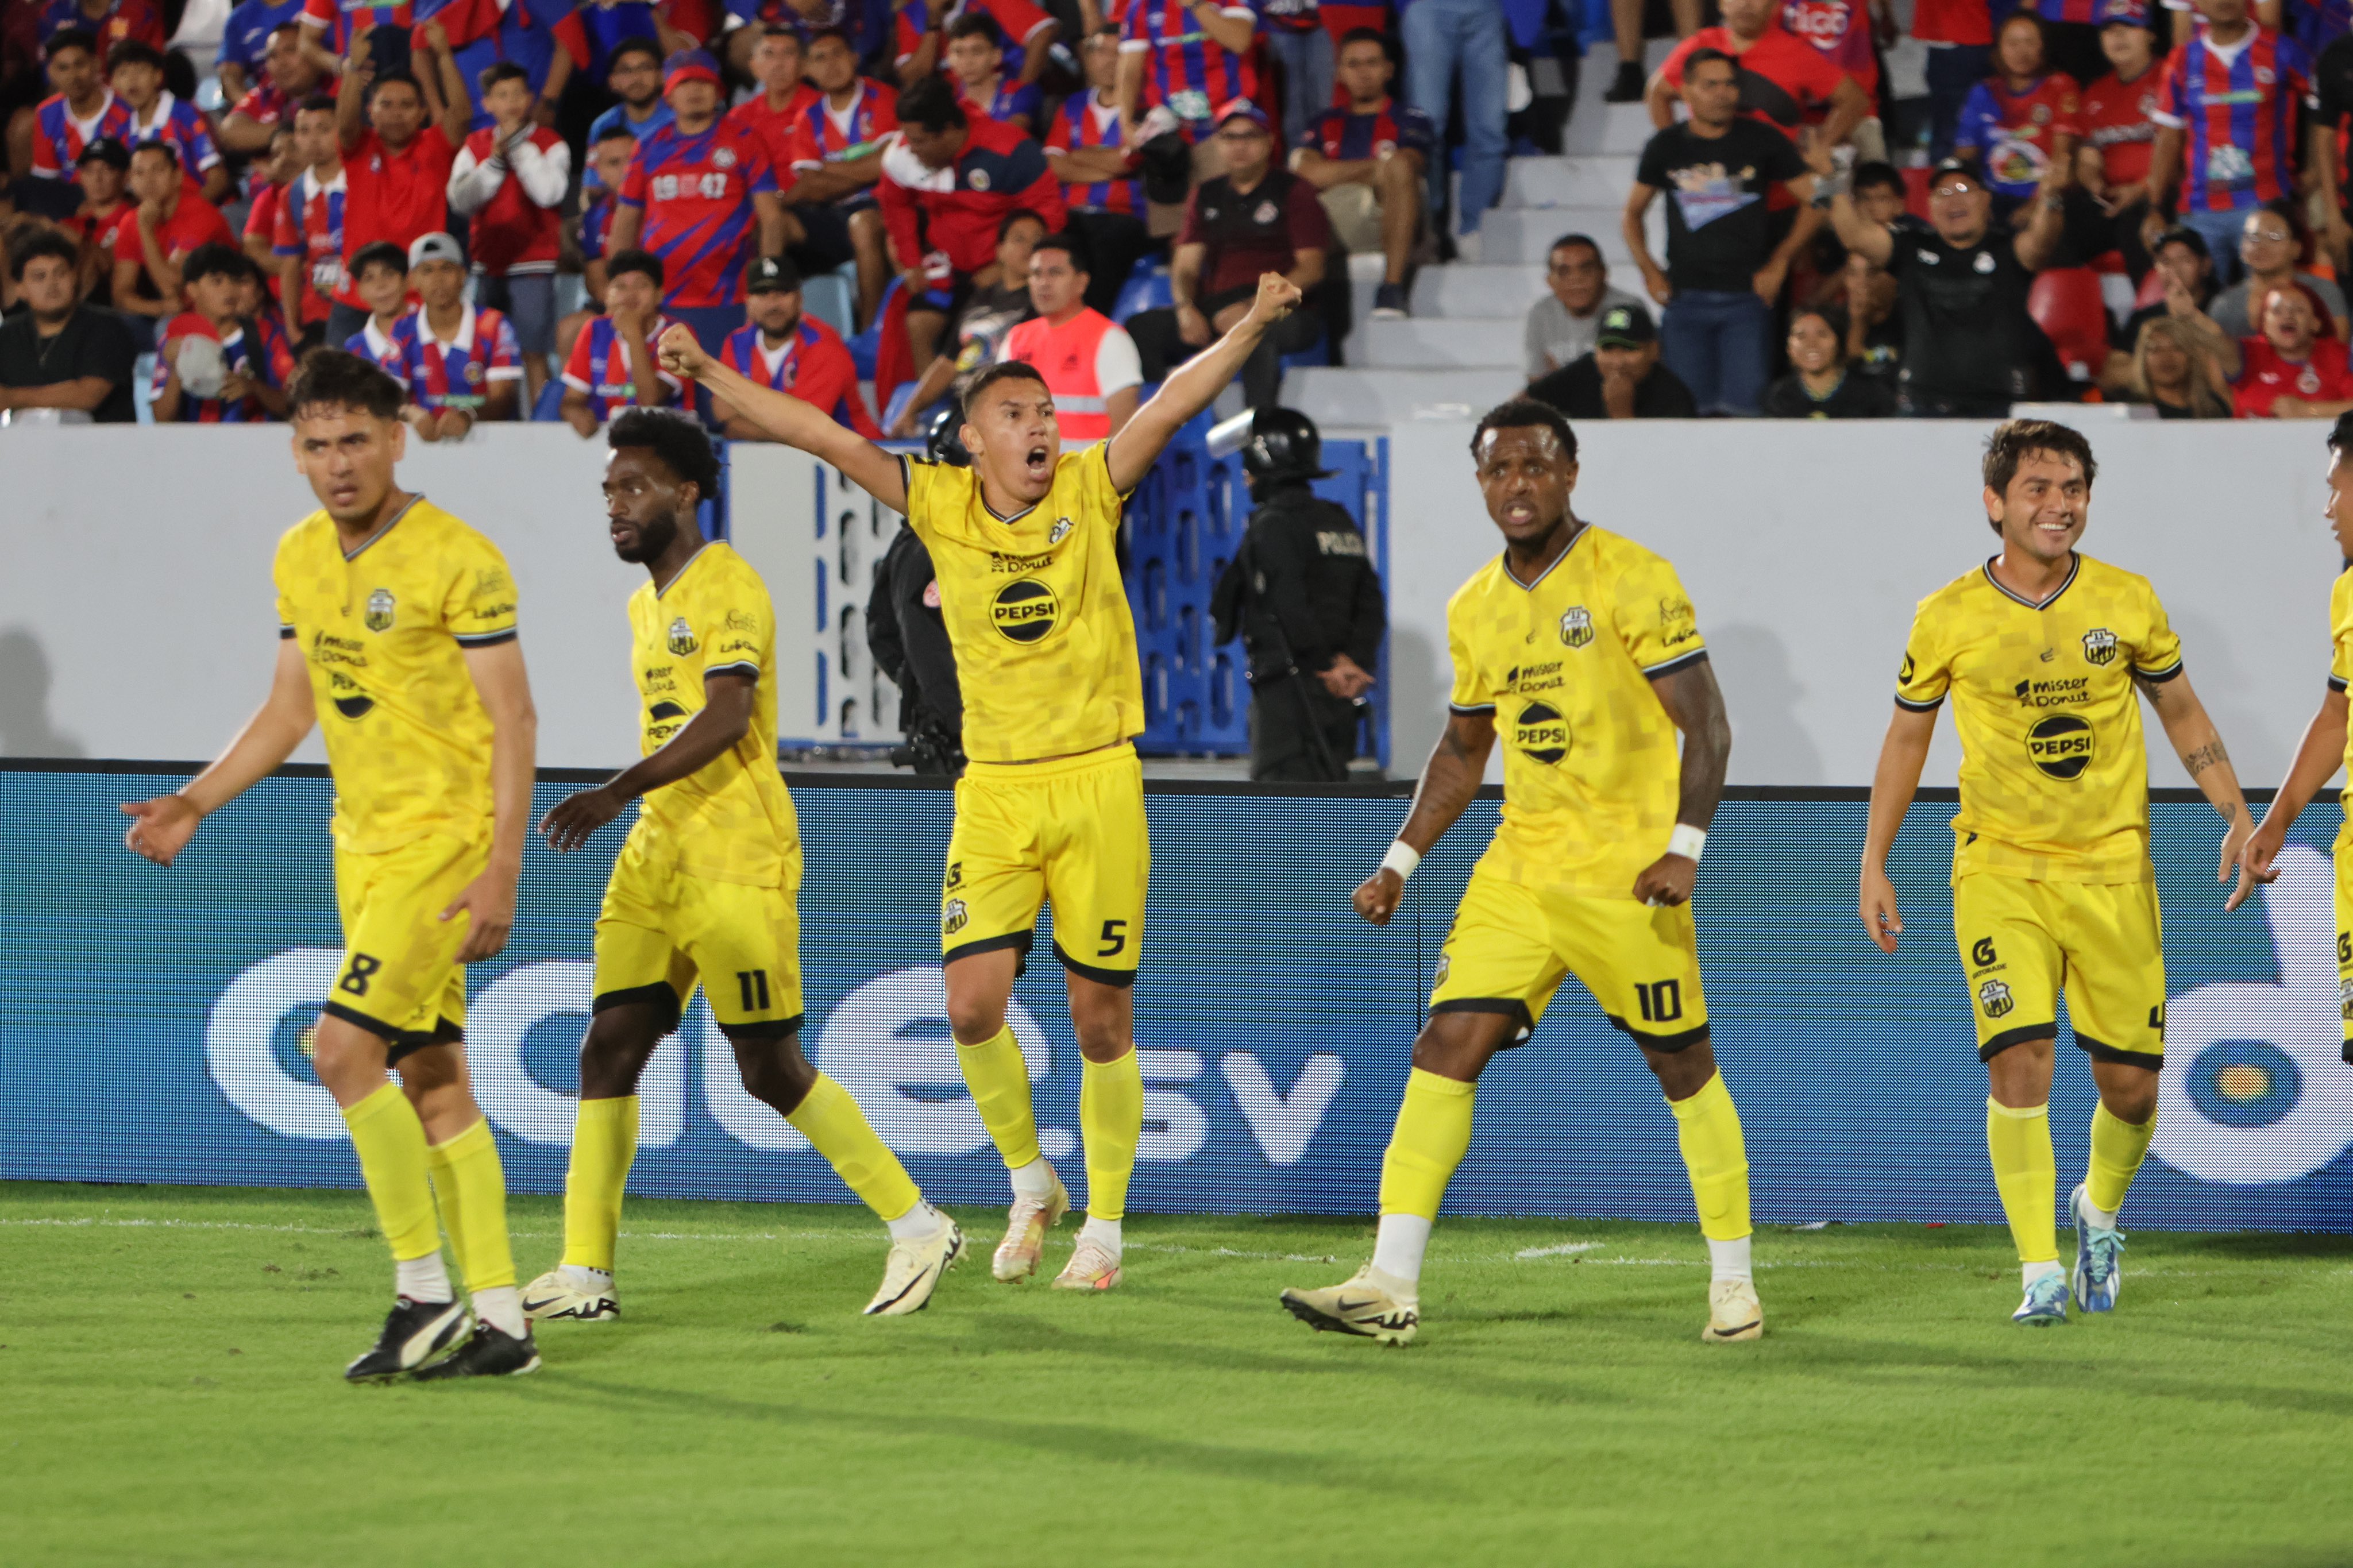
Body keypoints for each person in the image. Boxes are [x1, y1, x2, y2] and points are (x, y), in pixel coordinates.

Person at [659, 270, 1310, 1293]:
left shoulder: (1095, 488)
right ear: (973, 438)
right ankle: (1029, 1181)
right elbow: (822, 435)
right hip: (995, 793)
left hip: (1097, 784)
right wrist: (707, 369)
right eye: (1015, 414)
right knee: (970, 1009)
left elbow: (1179, 395)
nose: (1041, 427)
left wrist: (1254, 324)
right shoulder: (939, 503)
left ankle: (1103, 1225)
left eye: (1047, 411)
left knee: (1101, 1023)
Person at [1279, 397, 1756, 1347]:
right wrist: (1399, 864)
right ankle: (1388, 1283)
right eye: (1498, 470)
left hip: (1627, 878)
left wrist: (1684, 848)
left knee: (1683, 1065)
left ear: (1569, 473)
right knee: (1444, 1047)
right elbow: (1463, 751)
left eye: (1534, 466)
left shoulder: (1631, 576)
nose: (1517, 486)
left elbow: (1707, 723)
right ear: (1481, 483)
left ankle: (1734, 1283)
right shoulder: (1474, 607)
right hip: (1518, 872)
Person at [121, 349, 542, 1381]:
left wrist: (502, 871)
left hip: (440, 850)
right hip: (358, 850)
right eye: (317, 445)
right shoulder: (300, 556)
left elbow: (515, 719)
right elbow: (290, 710)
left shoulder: (460, 557)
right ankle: (502, 1321)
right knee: (433, 1078)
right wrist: (194, 801)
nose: (339, 462)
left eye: (357, 440)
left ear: (397, 437)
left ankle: (421, 1297)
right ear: (295, 453)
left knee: (338, 1053)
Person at [519, 408, 965, 1327]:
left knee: (766, 1067)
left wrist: (612, 791)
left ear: (687, 492)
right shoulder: (647, 601)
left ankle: (919, 1224)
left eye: (634, 485)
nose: (615, 503)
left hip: (733, 856)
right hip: (657, 856)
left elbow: (726, 716)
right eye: (608, 489)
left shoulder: (729, 583)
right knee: (608, 1047)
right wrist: (633, 806)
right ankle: (583, 1272)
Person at [1860, 419, 2254, 1326]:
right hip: (2001, 868)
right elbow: (1907, 738)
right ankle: (2038, 1267)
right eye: (2038, 487)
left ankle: (2098, 1212)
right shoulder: (1948, 614)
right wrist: (1874, 859)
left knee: (2133, 1088)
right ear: (1995, 502)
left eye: (2073, 487)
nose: (2059, 504)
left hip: (2115, 871)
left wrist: (2234, 809)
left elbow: (2184, 710)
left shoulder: (2127, 599)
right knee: (2020, 1057)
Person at [2231, 415, 2353, 1055]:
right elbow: (2337, 715)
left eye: (2336, 487)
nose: (2328, 509)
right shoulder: (2346, 593)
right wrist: (2274, 824)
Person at [1625, 50, 1821, 417]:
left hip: (1747, 302)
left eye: (1730, 84)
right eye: (1710, 84)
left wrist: (1780, 261)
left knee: (1747, 417)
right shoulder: (1665, 146)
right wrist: (1650, 271)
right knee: (1685, 418)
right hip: (1684, 302)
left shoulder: (1764, 140)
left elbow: (1817, 203)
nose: (1722, 93)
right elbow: (1632, 215)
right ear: (1686, 92)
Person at [1210, 406, 1383, 782]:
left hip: (1290, 696)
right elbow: (1371, 601)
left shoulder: (1272, 526)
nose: (1245, 478)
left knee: (1283, 811)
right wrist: (1351, 663)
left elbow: (1289, 606)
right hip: (1339, 691)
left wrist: (1323, 663)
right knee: (1332, 800)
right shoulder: (1337, 519)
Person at [1831, 155, 2068, 416]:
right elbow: (1854, 236)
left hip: (1997, 406)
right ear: (1930, 205)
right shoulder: (1911, 246)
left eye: (1964, 190)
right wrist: (1829, 179)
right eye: (1943, 192)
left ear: (1986, 199)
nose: (1954, 199)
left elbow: (2042, 242)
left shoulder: (2008, 249)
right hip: (1921, 405)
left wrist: (2051, 197)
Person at [1128, 101, 1328, 411]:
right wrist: (1186, 308)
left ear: (1269, 142)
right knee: (1141, 328)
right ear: (1218, 144)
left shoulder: (1294, 191)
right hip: (1220, 307)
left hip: (1282, 311)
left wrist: (1255, 309)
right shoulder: (1206, 193)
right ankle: (1159, 430)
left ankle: (1257, 435)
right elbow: (1185, 267)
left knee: (1254, 335)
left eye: (1249, 137)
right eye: (1229, 138)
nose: (1239, 147)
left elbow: (1312, 269)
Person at [878, 76, 1066, 376]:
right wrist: (911, 261)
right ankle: (929, 414)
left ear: (949, 131)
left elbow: (1049, 220)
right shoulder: (904, 155)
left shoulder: (1011, 151)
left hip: (999, 273)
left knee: (975, 337)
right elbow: (895, 204)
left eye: (920, 141)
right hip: (945, 271)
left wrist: (1008, 267)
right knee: (918, 323)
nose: (911, 149)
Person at [607, 49, 789, 346]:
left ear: (718, 92)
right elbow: (626, 220)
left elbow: (771, 219)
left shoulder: (745, 140)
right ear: (669, 96)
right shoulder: (648, 147)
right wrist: (614, 288)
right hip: (661, 298)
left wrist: (765, 288)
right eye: (685, 84)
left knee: (724, 389)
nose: (695, 91)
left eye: (705, 84)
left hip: (731, 296)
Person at [2141, 0, 2316, 284]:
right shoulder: (2182, 59)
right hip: (2199, 209)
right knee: (2200, 308)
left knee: (2267, 301)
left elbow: (2326, 115)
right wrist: (2155, 206)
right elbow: (2169, 138)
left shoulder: (2282, 50)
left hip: (2265, 202)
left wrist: (2315, 175)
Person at [332, 41, 472, 349]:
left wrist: (445, 55)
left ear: (422, 112)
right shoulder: (359, 147)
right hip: (357, 295)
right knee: (337, 388)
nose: (396, 113)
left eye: (407, 105)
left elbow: (461, 115)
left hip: (418, 297)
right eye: (386, 104)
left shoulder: (435, 146)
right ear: (371, 111)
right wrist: (353, 71)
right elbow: (344, 123)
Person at [446, 60, 568, 403]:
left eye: (518, 93)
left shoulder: (550, 142)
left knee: (533, 352)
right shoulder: (475, 144)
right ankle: (496, 422)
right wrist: (496, 162)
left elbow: (550, 193)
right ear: (487, 104)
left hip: (534, 266)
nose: (511, 101)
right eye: (502, 95)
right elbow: (460, 200)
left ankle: (543, 427)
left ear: (530, 98)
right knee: (486, 354)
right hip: (488, 265)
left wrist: (517, 146)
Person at [1289, 27, 1432, 320]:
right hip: (1334, 221)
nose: (1363, 73)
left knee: (1401, 166)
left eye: (1372, 63)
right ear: (1340, 72)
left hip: (1388, 219)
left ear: (1389, 70)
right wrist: (1376, 169)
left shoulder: (1409, 119)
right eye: (1353, 64)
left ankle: (1391, 288)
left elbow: (1408, 167)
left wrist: (1337, 173)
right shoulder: (1324, 122)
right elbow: (1306, 175)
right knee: (1295, 167)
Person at [1648, 0, 1870, 167]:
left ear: (1774, 5)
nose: (1746, 4)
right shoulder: (1699, 45)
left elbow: (1854, 99)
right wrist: (1677, 153)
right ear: (1721, 4)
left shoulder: (1795, 53)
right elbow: (1657, 92)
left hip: (1780, 189)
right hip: (1713, 186)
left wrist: (1822, 145)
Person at [773, 27, 896, 327]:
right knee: (775, 221)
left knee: (863, 224)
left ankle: (871, 332)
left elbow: (888, 165)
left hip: (884, 207)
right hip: (833, 214)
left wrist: (827, 167)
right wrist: (868, 169)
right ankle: (773, 314)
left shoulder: (884, 98)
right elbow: (812, 187)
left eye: (838, 54)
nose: (831, 64)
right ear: (807, 69)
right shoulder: (808, 117)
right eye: (820, 58)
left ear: (855, 58)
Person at [867, 409, 966, 778]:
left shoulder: (921, 536)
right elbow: (922, 643)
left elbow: (882, 632)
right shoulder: (931, 544)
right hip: (964, 741)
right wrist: (957, 721)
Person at [887, 206, 1042, 433]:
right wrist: (909, 412)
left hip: (1010, 414)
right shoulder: (977, 299)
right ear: (1000, 250)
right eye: (1019, 239)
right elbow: (949, 364)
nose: (1030, 247)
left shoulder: (1042, 303)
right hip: (964, 411)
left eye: (1038, 241)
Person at [711, 253, 881, 438]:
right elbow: (722, 412)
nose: (773, 304)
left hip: (854, 460)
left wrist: (740, 420)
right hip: (774, 459)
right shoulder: (736, 343)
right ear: (748, 302)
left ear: (800, 299)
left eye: (782, 292)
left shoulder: (824, 345)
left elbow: (804, 429)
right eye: (762, 294)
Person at [1044, 26, 1150, 320]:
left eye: (1119, 53)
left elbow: (1127, 163)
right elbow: (1052, 167)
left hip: (1124, 216)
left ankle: (1091, 328)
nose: (1109, 61)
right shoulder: (1073, 105)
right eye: (1100, 51)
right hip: (1071, 215)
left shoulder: (1146, 108)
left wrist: (1077, 156)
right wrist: (1109, 164)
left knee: (1102, 254)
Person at [998, 230, 1141, 443]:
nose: (1043, 283)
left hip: (1088, 474)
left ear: (1081, 282)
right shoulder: (1017, 337)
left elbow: (1125, 432)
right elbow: (1000, 417)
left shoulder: (1109, 339)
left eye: (1055, 273)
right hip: (1028, 473)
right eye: (1036, 274)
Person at [385, 230, 522, 439]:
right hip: (425, 447)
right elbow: (389, 397)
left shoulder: (494, 324)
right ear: (413, 281)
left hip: (490, 443)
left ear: (462, 276)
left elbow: (504, 397)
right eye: (427, 271)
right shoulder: (402, 330)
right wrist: (410, 414)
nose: (438, 280)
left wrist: (468, 416)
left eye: (446, 269)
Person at [0, 226, 137, 421]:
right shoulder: (8, 335)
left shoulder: (106, 327)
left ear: (75, 277)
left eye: (61, 273)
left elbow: (89, 395)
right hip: (26, 447)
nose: (52, 285)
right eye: (40, 277)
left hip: (101, 446)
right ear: (19, 288)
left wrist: (11, 397)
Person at [1400, 0, 1506, 250]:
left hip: (1485, 10)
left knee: (1491, 128)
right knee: (1426, 128)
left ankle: (1476, 227)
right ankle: (1430, 224)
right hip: (1430, 8)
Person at [149, 243, 297, 421]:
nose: (229, 290)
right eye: (217, 281)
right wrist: (178, 368)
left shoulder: (265, 334)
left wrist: (254, 388)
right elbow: (161, 419)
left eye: (234, 281)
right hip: (195, 445)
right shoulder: (174, 340)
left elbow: (293, 405)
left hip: (253, 444)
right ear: (192, 290)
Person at [1953, 13, 2080, 218]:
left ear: (2044, 47)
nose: (2022, 52)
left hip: (2045, 198)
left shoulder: (2061, 87)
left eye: (2030, 42)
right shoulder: (1983, 92)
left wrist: (2034, 206)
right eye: (2012, 43)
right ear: (1999, 49)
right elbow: (1964, 159)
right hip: (1991, 199)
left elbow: (2062, 158)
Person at [109, 141, 236, 337]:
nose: (148, 180)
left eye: (157, 171)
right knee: (113, 327)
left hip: (227, 302)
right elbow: (121, 294)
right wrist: (159, 307)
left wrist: (146, 230)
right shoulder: (130, 221)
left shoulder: (200, 212)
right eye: (139, 173)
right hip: (177, 307)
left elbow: (174, 286)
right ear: (130, 181)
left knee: (167, 330)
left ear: (177, 177)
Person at [2072, 9, 2159, 273]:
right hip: (2108, 199)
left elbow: (2185, 154)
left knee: (2135, 226)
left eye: (2129, 27)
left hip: (2156, 194)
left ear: (2150, 35)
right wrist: (2094, 183)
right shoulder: (2096, 92)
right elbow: (2088, 158)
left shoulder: (2170, 78)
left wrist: (2141, 188)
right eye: (2110, 30)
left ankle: (2148, 313)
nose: (2118, 37)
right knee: (2061, 222)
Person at [562, 248, 682, 432]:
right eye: (620, 287)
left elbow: (650, 400)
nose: (630, 295)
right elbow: (572, 399)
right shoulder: (595, 329)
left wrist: (633, 333)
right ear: (608, 293)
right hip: (605, 439)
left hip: (664, 438)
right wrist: (576, 414)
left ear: (660, 295)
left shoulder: (677, 334)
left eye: (641, 286)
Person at [1526, 300, 1700, 418]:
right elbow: (1523, 404)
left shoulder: (1673, 395)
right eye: (1608, 349)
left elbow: (1656, 462)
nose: (1617, 362)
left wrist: (1621, 413)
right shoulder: (1585, 369)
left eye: (1629, 349)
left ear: (1654, 351)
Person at [1116, 0, 1257, 144]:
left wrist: (1195, 4)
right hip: (1170, 122)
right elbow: (1130, 71)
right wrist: (1125, 123)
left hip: (1228, 119)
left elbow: (1240, 42)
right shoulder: (1142, 6)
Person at [106, 39, 228, 203]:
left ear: (158, 76)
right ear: (113, 83)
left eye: (140, 71)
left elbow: (218, 179)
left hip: (201, 209)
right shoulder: (123, 131)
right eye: (123, 73)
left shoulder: (185, 115)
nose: (132, 80)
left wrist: (186, 214)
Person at [2207, 204, 2349, 340]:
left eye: (2274, 237)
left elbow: (2339, 347)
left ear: (2296, 248)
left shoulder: (2323, 291)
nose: (2261, 246)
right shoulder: (2224, 306)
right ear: (2242, 248)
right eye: (2253, 237)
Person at [24, 30, 132, 206]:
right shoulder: (47, 113)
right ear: (51, 73)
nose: (73, 77)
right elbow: (46, 182)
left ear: (96, 64)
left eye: (80, 65)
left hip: (121, 206)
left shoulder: (127, 111)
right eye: (63, 68)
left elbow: (134, 181)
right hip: (69, 207)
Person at [2221, 285, 2353, 419]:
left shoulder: (2340, 357)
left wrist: (2307, 410)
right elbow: (2215, 337)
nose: (2288, 316)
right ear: (2264, 325)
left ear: (2316, 323)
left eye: (2299, 310)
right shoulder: (2247, 354)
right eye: (2277, 311)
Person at [1523, 233, 1643, 381]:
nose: (1577, 279)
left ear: (1603, 274)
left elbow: (1628, 377)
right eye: (1564, 272)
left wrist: (1562, 377)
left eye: (1586, 270)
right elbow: (1536, 381)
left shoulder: (1627, 308)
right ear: (1550, 281)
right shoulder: (1540, 314)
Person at [218, 22, 331, 155]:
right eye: (273, 56)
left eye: (290, 50)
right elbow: (229, 131)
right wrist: (289, 132)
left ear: (314, 51)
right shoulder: (267, 93)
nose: (281, 63)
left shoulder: (336, 85)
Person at [1762, 303, 1894, 415]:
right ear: (1789, 349)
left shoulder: (1871, 395)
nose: (1812, 344)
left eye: (1822, 334)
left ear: (1839, 342)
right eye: (1801, 336)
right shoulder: (1778, 398)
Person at [722, 25, 821, 161]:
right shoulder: (739, 118)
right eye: (769, 54)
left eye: (788, 53)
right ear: (754, 67)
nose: (778, 63)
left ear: (804, 66)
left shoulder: (823, 108)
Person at [64, 134, 132, 304]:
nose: (97, 178)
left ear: (126, 176)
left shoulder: (134, 219)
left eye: (107, 169)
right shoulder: (72, 223)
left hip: (112, 308)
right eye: (89, 170)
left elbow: (107, 262)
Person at [944, 11, 1039, 131]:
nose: (967, 61)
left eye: (977, 51)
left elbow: (1010, 135)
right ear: (948, 57)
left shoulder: (1020, 93)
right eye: (959, 52)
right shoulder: (946, 103)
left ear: (997, 56)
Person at [2121, 313, 2231, 415]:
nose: (2167, 358)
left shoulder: (2213, 409)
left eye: (2177, 348)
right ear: (2142, 358)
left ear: (2191, 356)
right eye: (2156, 349)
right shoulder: (2130, 411)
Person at [587, 37, 675, 148]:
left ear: (663, 76)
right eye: (626, 71)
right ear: (612, 81)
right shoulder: (603, 126)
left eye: (645, 68)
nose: (636, 78)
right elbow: (595, 165)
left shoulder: (679, 119)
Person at [343, 237, 413, 373]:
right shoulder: (354, 350)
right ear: (359, 291)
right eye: (369, 278)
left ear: (407, 281)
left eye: (388, 274)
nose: (380, 285)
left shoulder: (432, 329)